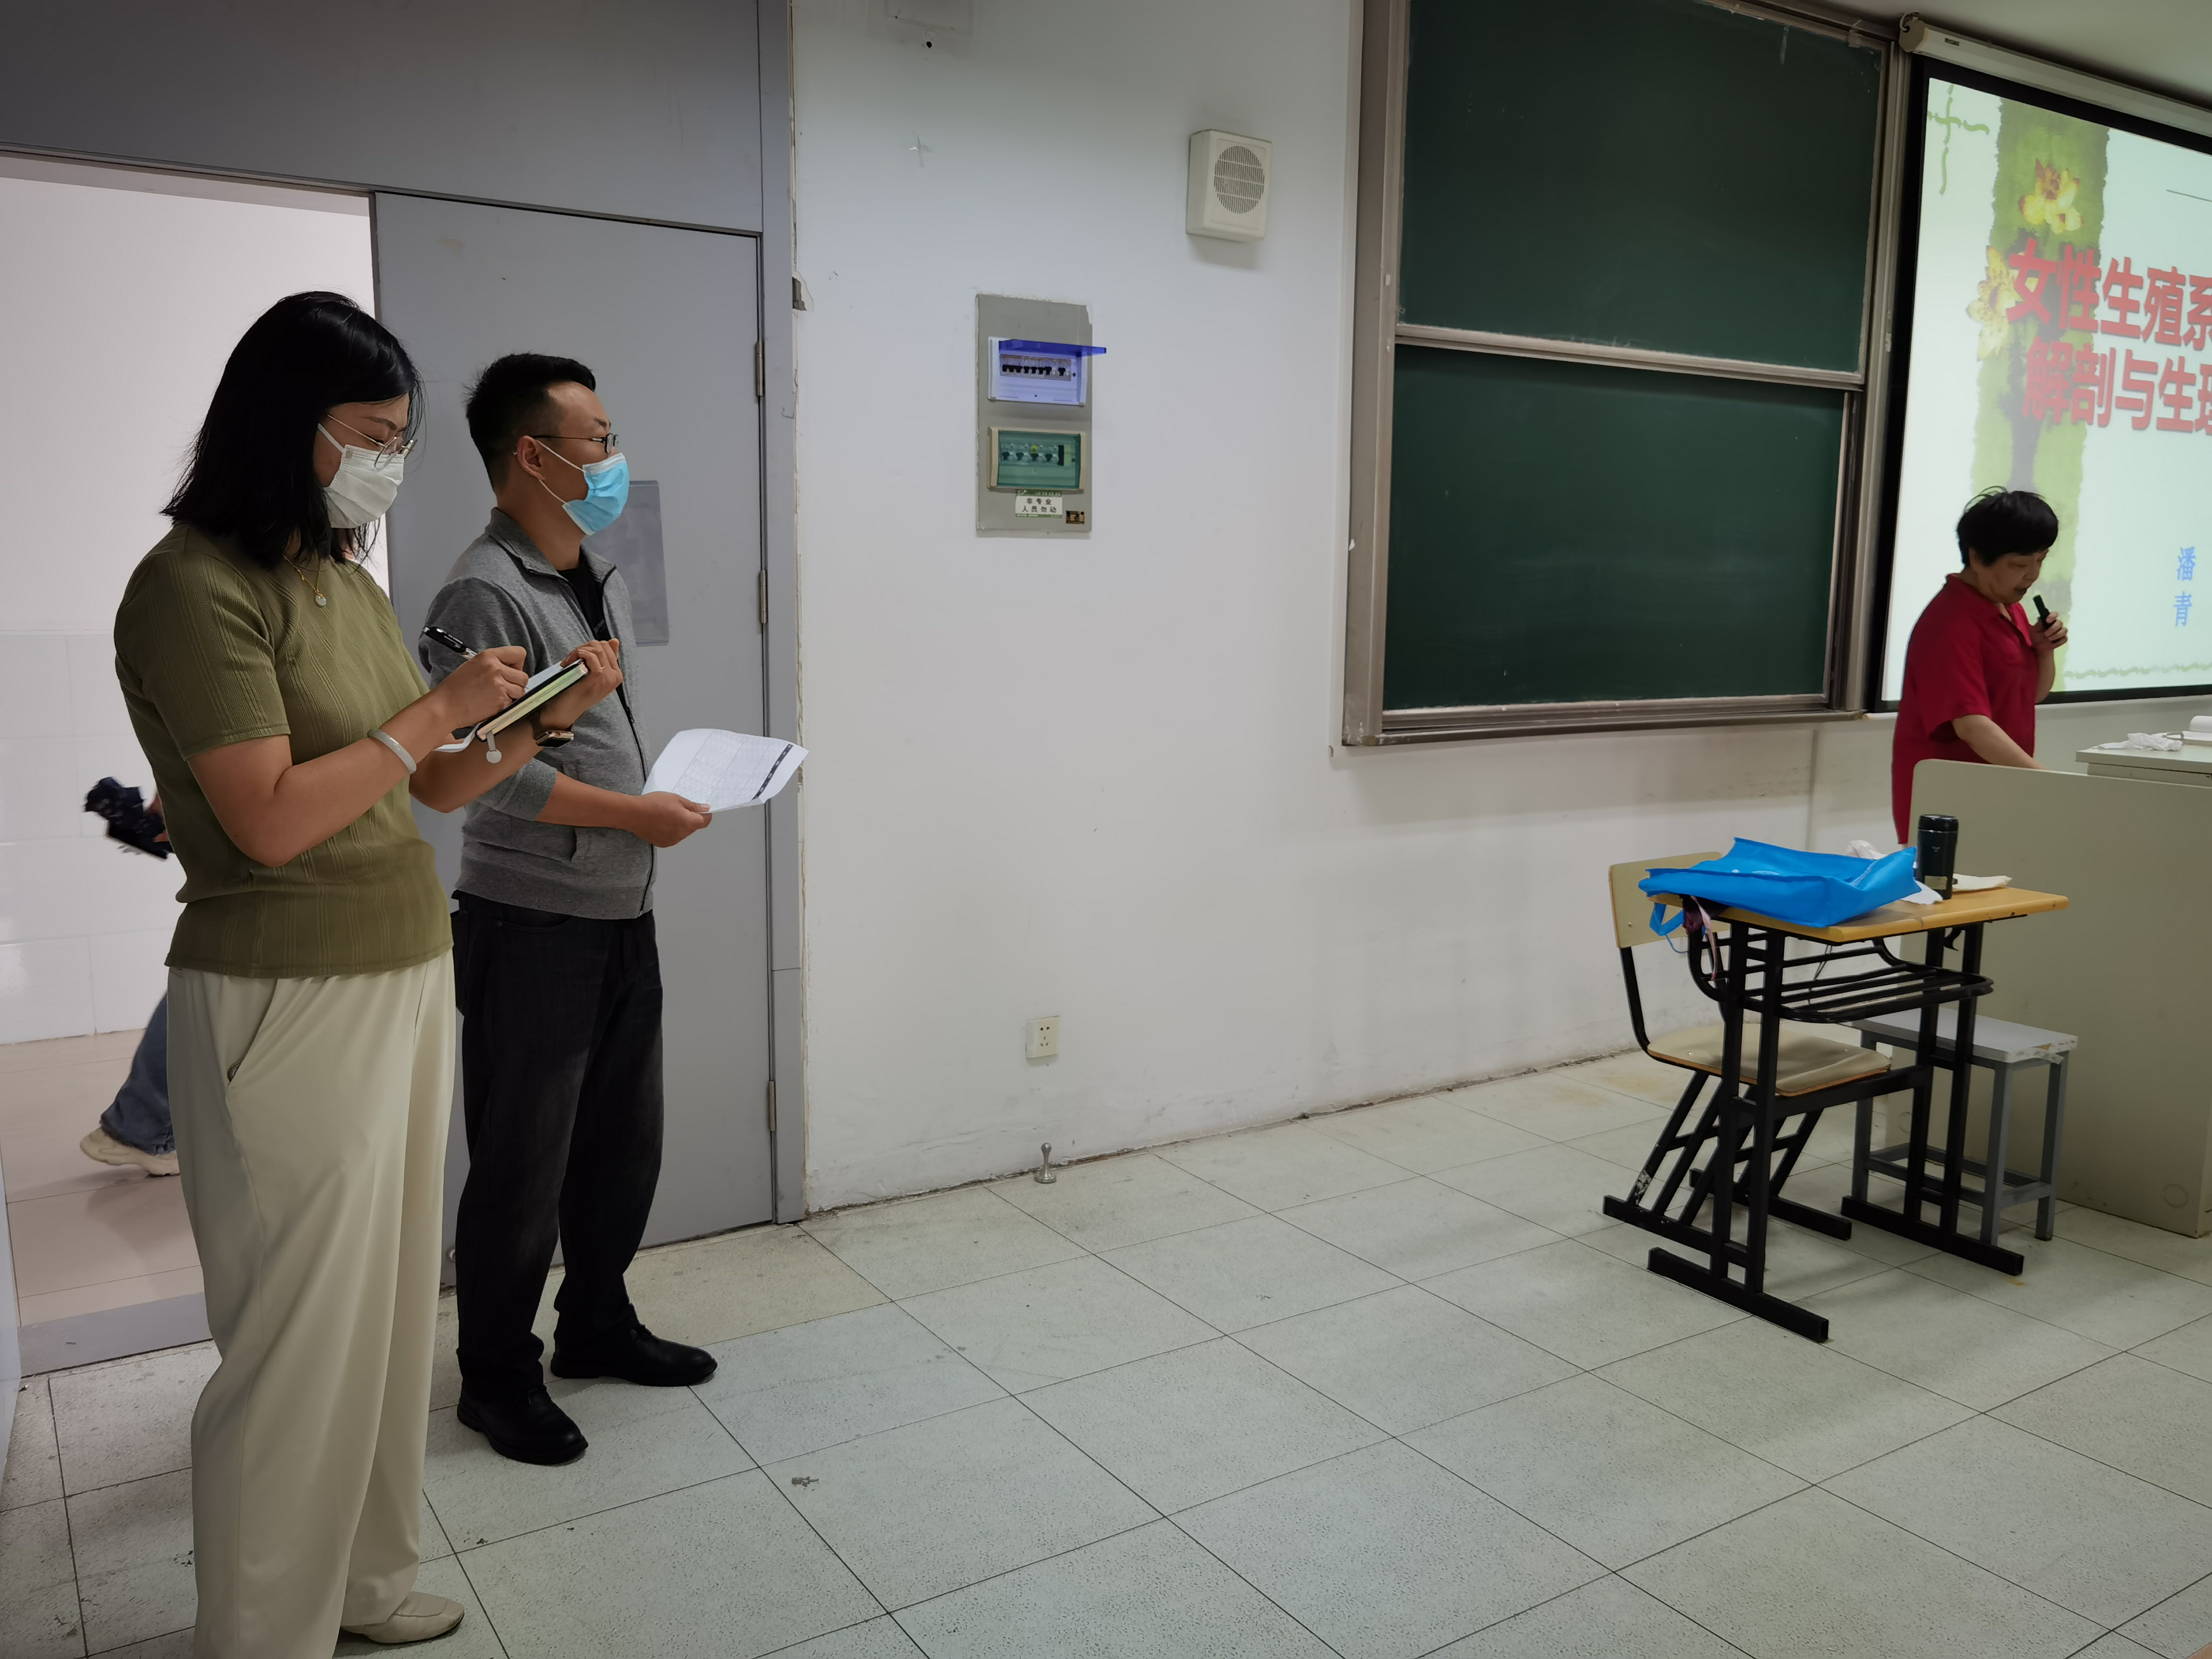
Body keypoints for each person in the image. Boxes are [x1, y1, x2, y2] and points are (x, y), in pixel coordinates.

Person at [113, 293, 622, 1656]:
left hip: (400, 965)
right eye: (372, 434)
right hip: (288, 990)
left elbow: (430, 786)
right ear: (286, 422)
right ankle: (260, 1631)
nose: (389, 461)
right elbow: (272, 818)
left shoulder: (339, 575)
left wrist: (535, 721)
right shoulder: (194, 586)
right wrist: (437, 709)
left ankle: (365, 1582)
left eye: (401, 437)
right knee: (299, 1338)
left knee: (392, 1316)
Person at [419, 354, 715, 1469]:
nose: (614, 458)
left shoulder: (597, 575)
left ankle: (596, 1319)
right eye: (597, 440)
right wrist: (633, 815)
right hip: (529, 919)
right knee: (521, 1162)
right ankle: (496, 1378)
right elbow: (483, 775)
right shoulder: (482, 592)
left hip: (618, 904)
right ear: (533, 457)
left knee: (618, 1144)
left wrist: (644, 812)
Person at [1891, 487, 2069, 845]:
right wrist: (2051, 781)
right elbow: (1972, 726)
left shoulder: (2010, 607)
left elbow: (2031, 696)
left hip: (1996, 787)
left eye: (2041, 560)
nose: (2033, 575)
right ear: (1977, 557)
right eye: (2020, 564)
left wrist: (2044, 651)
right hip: (1950, 801)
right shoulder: (1952, 621)